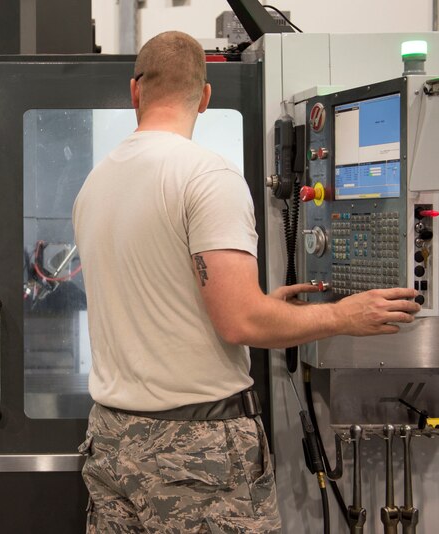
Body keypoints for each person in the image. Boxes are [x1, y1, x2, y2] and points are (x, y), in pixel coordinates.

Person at [72, 31, 420, 533]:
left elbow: (161, 295)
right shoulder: (205, 176)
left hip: (112, 439)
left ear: (135, 92)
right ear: (205, 96)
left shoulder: (96, 183)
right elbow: (241, 322)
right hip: (193, 452)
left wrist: (259, 302)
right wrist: (346, 315)